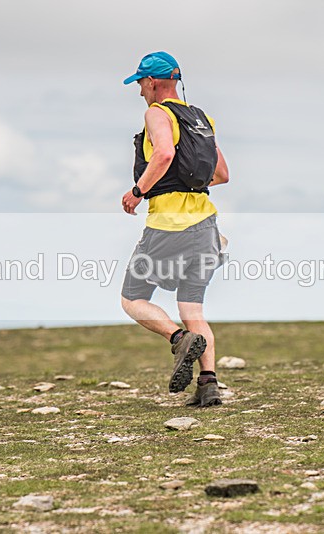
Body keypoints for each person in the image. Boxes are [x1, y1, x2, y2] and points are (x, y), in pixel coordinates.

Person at [120, 51, 230, 407]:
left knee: (132, 299)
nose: (140, 91)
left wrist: (138, 192)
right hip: (206, 225)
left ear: (152, 82)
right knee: (193, 307)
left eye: (140, 83)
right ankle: (209, 384)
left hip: (168, 225)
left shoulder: (157, 113)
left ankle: (178, 338)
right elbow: (222, 174)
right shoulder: (200, 118)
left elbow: (164, 153)